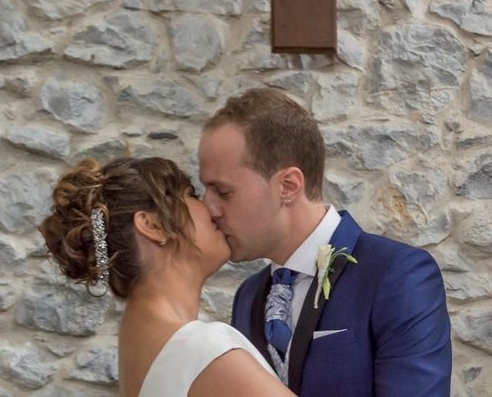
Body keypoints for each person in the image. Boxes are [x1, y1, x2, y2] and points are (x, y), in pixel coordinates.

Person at [198, 87, 452, 396]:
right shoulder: (247, 297)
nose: (208, 208)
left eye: (223, 192)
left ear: (288, 186)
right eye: (205, 190)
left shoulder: (397, 275)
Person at [39, 157, 296, 397]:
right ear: (152, 226)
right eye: (191, 195)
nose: (210, 208)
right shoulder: (203, 349)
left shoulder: (137, 345)